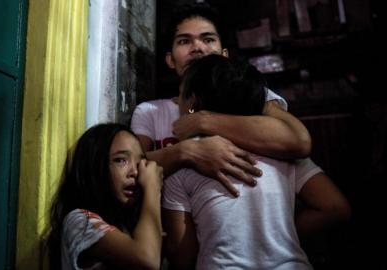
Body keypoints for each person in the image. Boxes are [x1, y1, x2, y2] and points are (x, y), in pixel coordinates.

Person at [162, 55, 351, 269]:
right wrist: (277, 230)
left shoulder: (185, 162)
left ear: (192, 103)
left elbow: (181, 255)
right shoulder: (283, 153)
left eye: (179, 95)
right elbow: (336, 208)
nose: (177, 102)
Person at [131, 3, 311, 196]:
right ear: (170, 59)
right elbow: (130, 168)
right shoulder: (150, 111)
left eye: (208, 39)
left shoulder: (250, 93)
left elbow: (299, 141)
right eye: (184, 41)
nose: (198, 48)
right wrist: (187, 151)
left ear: (224, 55)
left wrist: (202, 120)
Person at [46, 123, 163, 270]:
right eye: (121, 160)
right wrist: (152, 187)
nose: (135, 172)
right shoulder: (80, 221)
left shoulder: (131, 223)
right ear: (95, 166)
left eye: (140, 163)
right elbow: (147, 259)